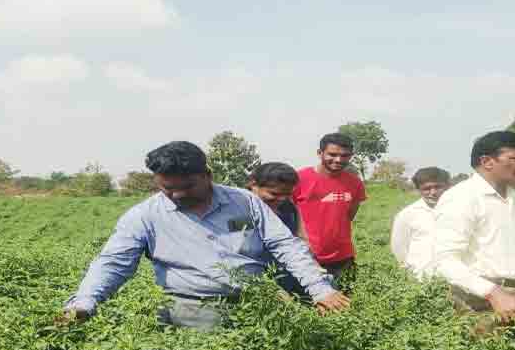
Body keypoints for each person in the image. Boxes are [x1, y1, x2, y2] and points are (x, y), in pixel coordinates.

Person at [59, 141, 350, 330]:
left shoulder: (244, 202)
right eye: (167, 189)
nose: (176, 195)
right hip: (194, 310)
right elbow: (112, 263)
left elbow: (285, 245)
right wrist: (84, 303)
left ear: (207, 174)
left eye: (185, 187)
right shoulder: (144, 216)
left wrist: (320, 289)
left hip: (261, 304)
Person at [434, 131, 515, 330]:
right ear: (487, 161)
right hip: (481, 302)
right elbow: (445, 260)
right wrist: (493, 292)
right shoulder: (462, 198)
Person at [293, 133, 369, 282]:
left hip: (343, 257)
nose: (338, 160)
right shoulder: (299, 179)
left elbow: (349, 215)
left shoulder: (355, 183)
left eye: (345, 155)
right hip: (306, 256)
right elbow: (286, 215)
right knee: (307, 302)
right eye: (332, 154)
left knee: (347, 301)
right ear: (319, 153)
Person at [248, 162, 307, 297]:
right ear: (253, 185)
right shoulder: (239, 209)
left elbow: (299, 240)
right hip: (256, 285)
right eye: (274, 193)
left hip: (290, 278)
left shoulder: (289, 208)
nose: (281, 199)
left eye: (287, 194)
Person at [390, 166, 450, 279]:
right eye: (427, 188)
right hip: (420, 278)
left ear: (447, 187)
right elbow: (399, 248)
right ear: (419, 190)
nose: (433, 192)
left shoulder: (458, 210)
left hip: (453, 279)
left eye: (438, 187)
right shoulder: (407, 214)